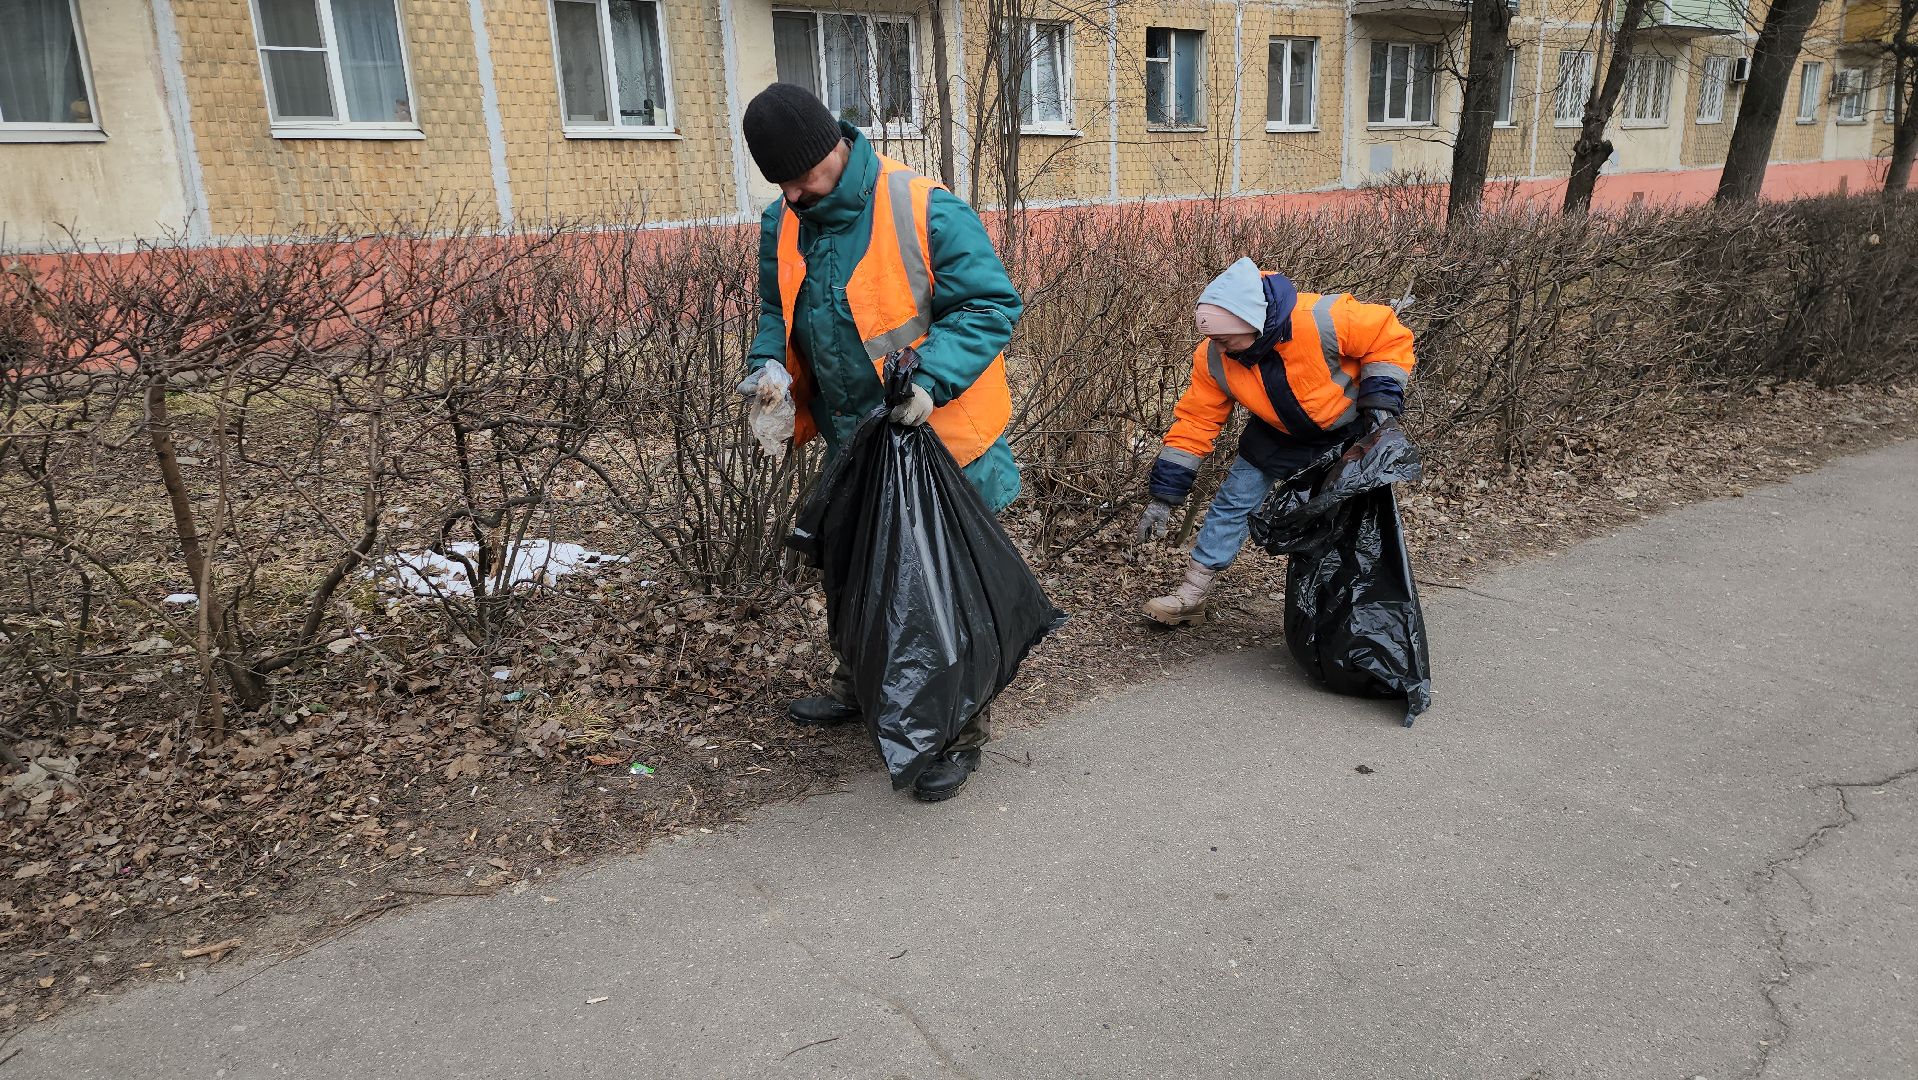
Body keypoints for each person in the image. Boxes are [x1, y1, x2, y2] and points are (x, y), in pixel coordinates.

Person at [737, 84, 1024, 802]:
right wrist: (767, 370)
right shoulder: (783, 221)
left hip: (941, 437)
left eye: (806, 175)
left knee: (941, 590)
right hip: (854, 442)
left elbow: (990, 305)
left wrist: (931, 377)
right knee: (854, 573)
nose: (798, 192)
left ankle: (956, 732)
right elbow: (777, 308)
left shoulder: (922, 205)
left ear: (835, 145)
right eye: (784, 183)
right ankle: (864, 687)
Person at [1137, 258, 1416, 623]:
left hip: (1346, 433)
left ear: (1252, 324)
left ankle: (1348, 608)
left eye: (1224, 339)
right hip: (1276, 433)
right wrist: (1164, 495)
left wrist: (1380, 405)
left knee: (1343, 521)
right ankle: (1192, 595)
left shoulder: (1320, 318)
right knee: (1232, 503)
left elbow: (1388, 337)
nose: (1218, 349)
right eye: (1213, 340)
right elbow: (1196, 421)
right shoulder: (1214, 359)